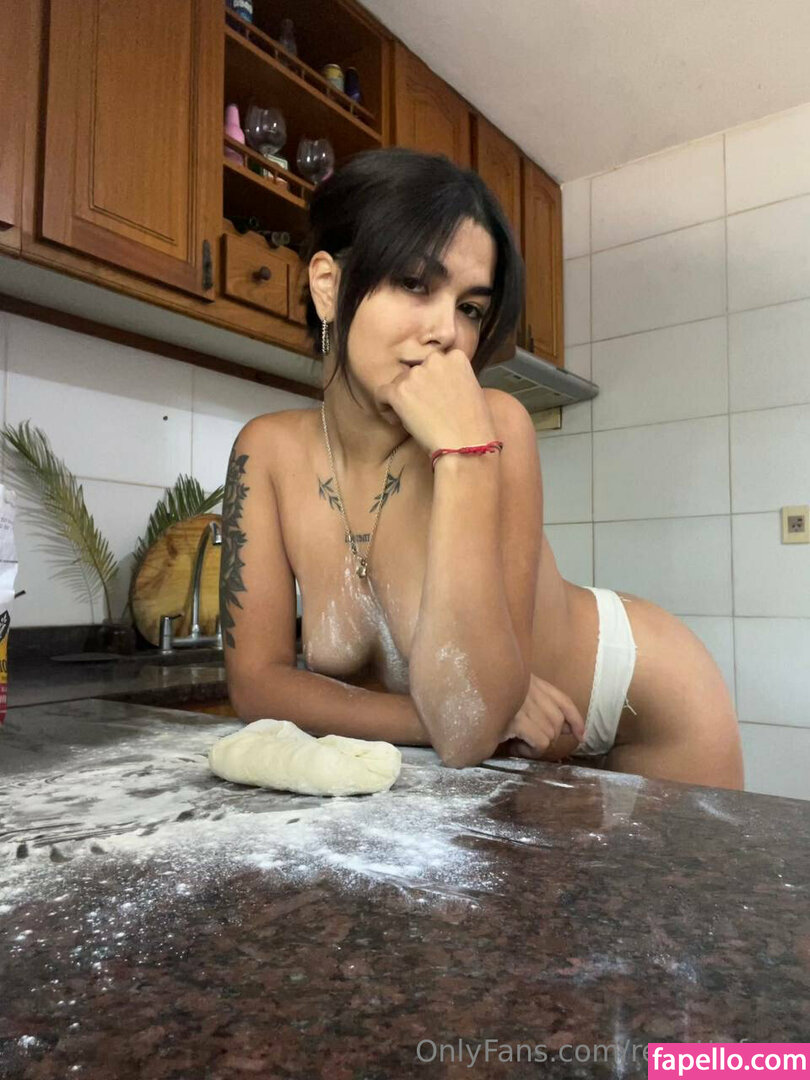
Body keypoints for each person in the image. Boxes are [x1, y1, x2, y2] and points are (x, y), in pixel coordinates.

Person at [220, 147, 743, 790]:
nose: (448, 331)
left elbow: (467, 729)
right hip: (499, 749)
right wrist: (447, 715)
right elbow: (257, 685)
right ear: (327, 285)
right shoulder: (265, 454)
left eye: (469, 308)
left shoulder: (495, 424)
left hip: (642, 702)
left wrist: (464, 453)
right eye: (415, 283)